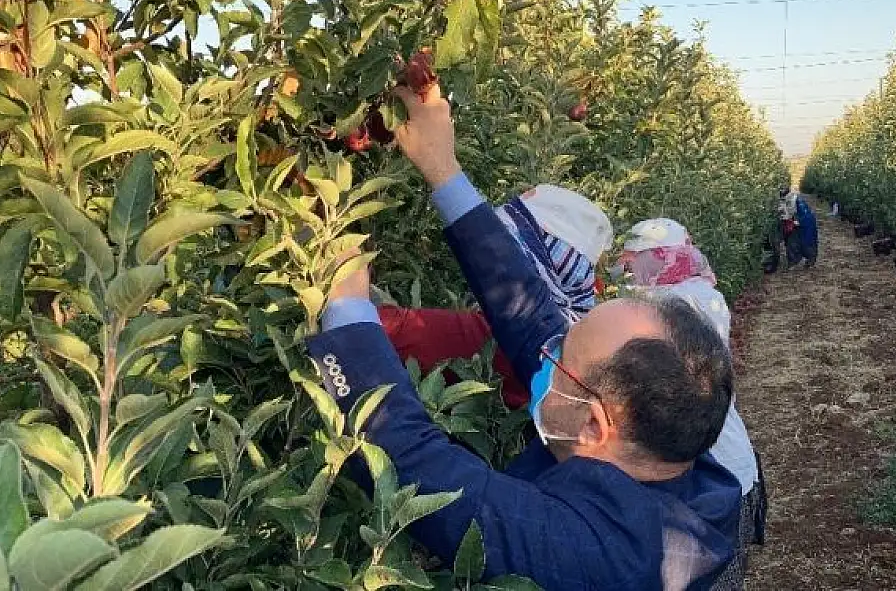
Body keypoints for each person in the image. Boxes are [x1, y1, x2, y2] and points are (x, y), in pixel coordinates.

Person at [304, 83, 742, 590]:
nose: (547, 350)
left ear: (595, 426)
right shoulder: (665, 445)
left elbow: (408, 459)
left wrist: (346, 304)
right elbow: (530, 314)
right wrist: (443, 169)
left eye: (560, 359)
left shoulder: (599, 557)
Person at [614, 218, 768, 589]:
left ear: (661, 259)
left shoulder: (678, 307)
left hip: (713, 479)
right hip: (725, 467)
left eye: (635, 263)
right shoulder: (701, 294)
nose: (629, 272)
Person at [379, 184, 613, 409]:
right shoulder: (571, 351)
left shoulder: (500, 338)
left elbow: (391, 331)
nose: (487, 263)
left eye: (506, 253)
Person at [778, 186, 818, 269]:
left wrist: (799, 221)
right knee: (792, 242)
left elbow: (806, 216)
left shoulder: (798, 202)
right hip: (794, 223)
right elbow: (786, 211)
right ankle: (792, 262)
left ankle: (810, 260)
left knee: (807, 242)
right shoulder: (787, 200)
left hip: (805, 225)